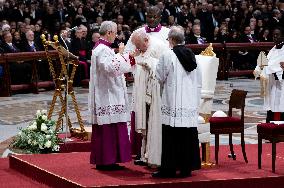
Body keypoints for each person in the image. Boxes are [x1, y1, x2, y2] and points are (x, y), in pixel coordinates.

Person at [152, 26, 202, 178]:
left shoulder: (168, 55)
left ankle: (169, 169)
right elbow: (199, 80)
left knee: (171, 137)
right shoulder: (192, 55)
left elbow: (159, 76)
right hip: (189, 103)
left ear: (172, 40)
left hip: (173, 102)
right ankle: (186, 168)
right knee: (187, 136)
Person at [88, 21, 137, 170]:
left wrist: (121, 56)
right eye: (115, 33)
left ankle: (109, 160)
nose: (116, 36)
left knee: (111, 127)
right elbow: (110, 68)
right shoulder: (102, 49)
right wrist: (122, 55)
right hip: (107, 95)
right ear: (109, 32)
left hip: (109, 92)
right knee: (108, 128)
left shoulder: (103, 48)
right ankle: (107, 161)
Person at [124, 5, 170, 161]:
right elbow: (128, 54)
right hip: (140, 80)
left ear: (160, 17)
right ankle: (140, 151)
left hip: (157, 82)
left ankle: (154, 152)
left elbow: (168, 57)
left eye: (154, 16)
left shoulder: (166, 33)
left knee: (154, 116)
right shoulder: (138, 33)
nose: (151, 19)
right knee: (141, 114)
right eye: (149, 16)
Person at [263, 27, 284, 122]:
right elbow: (267, 64)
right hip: (272, 82)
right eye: (273, 35)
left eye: (277, 35)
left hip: (281, 83)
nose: (275, 37)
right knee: (271, 104)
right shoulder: (272, 50)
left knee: (281, 104)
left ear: (282, 36)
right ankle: (269, 126)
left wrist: (276, 70)